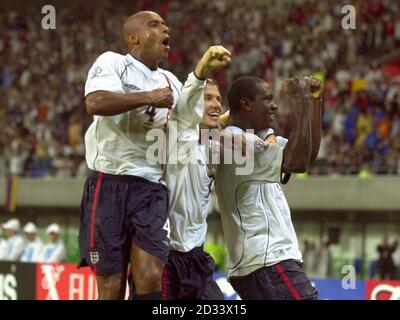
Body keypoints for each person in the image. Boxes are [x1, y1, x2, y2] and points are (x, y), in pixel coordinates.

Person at [214, 76, 322, 300]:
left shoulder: (255, 138)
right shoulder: (235, 141)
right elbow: (296, 163)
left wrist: (314, 101)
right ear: (246, 104)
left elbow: (307, 154)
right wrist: (301, 98)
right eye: (267, 99)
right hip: (266, 260)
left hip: (264, 261)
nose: (274, 105)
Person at [163, 45, 230, 300]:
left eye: (218, 99)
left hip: (196, 260)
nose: (215, 104)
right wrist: (204, 66)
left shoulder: (209, 149)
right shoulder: (175, 136)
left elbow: (217, 122)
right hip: (166, 260)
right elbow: (186, 106)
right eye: (208, 97)